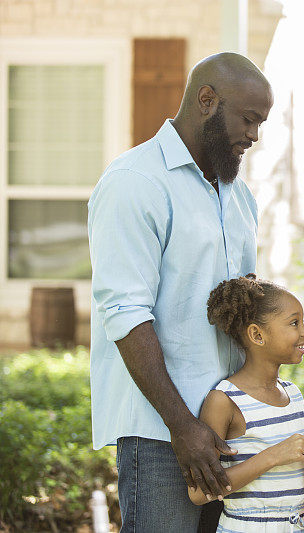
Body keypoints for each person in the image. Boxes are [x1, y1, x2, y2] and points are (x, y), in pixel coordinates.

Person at [88, 52, 273, 531]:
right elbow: (126, 314)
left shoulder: (237, 194)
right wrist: (182, 427)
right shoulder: (134, 182)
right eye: (249, 120)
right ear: (207, 100)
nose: (254, 135)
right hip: (161, 433)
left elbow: (242, 304)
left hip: (230, 427)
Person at [189, 275, 304, 532]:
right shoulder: (224, 401)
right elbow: (200, 493)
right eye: (294, 323)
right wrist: (274, 455)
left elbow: (291, 472)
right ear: (257, 334)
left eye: (303, 322)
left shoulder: (293, 395)